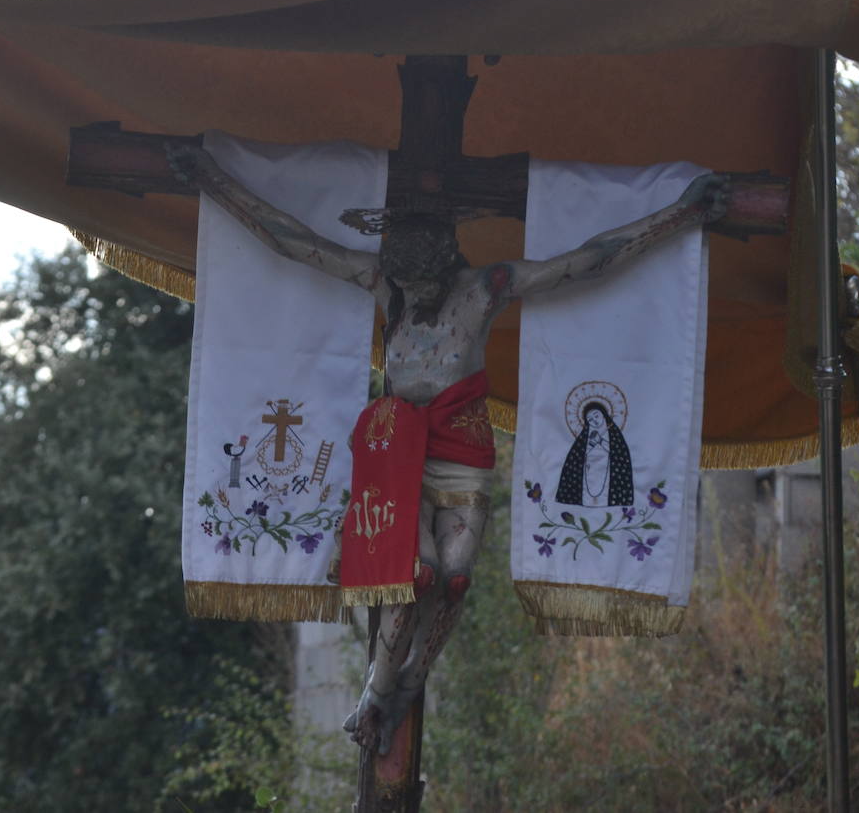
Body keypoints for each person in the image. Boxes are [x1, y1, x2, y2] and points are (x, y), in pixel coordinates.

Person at [170, 143, 729, 755]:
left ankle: (408, 682)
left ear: (448, 261)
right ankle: (372, 694)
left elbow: (586, 261)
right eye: (410, 283)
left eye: (428, 281)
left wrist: (681, 215)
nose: (421, 294)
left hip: (463, 457)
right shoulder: (391, 289)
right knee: (416, 572)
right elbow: (291, 241)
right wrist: (213, 181)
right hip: (397, 459)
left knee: (456, 579)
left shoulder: (487, 288)